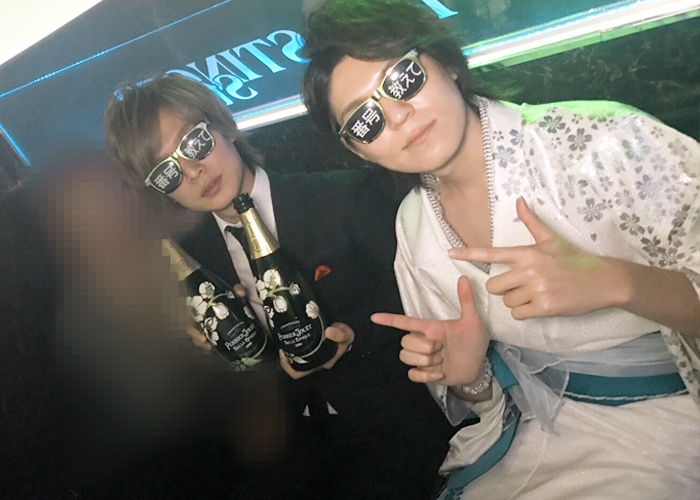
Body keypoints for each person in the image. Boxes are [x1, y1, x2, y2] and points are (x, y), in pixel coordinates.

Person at [300, 0, 700, 498]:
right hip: (535, 428)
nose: (397, 115)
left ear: (446, 62)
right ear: (358, 149)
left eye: (402, 79)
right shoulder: (414, 226)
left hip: (666, 420)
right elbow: (478, 396)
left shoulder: (597, 142)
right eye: (365, 120)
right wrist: (470, 376)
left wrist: (617, 282)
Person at [102, 73, 454, 500]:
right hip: (286, 449)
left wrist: (352, 334)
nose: (193, 171)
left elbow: (420, 292)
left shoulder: (342, 197)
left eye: (194, 143)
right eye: (166, 173)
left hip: (392, 427)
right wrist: (201, 350)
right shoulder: (191, 263)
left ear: (224, 126)